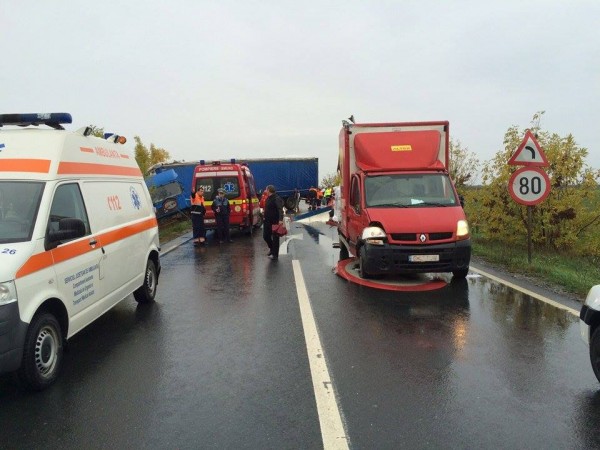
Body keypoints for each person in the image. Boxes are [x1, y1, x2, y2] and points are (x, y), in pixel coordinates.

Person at [263, 185, 284, 260]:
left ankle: (275, 255)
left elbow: (280, 210)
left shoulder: (276, 198)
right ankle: (272, 248)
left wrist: (280, 219)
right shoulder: (268, 198)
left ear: (269, 190)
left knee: (275, 238)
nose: (266, 191)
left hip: (274, 221)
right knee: (266, 236)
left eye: (266, 190)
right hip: (267, 221)